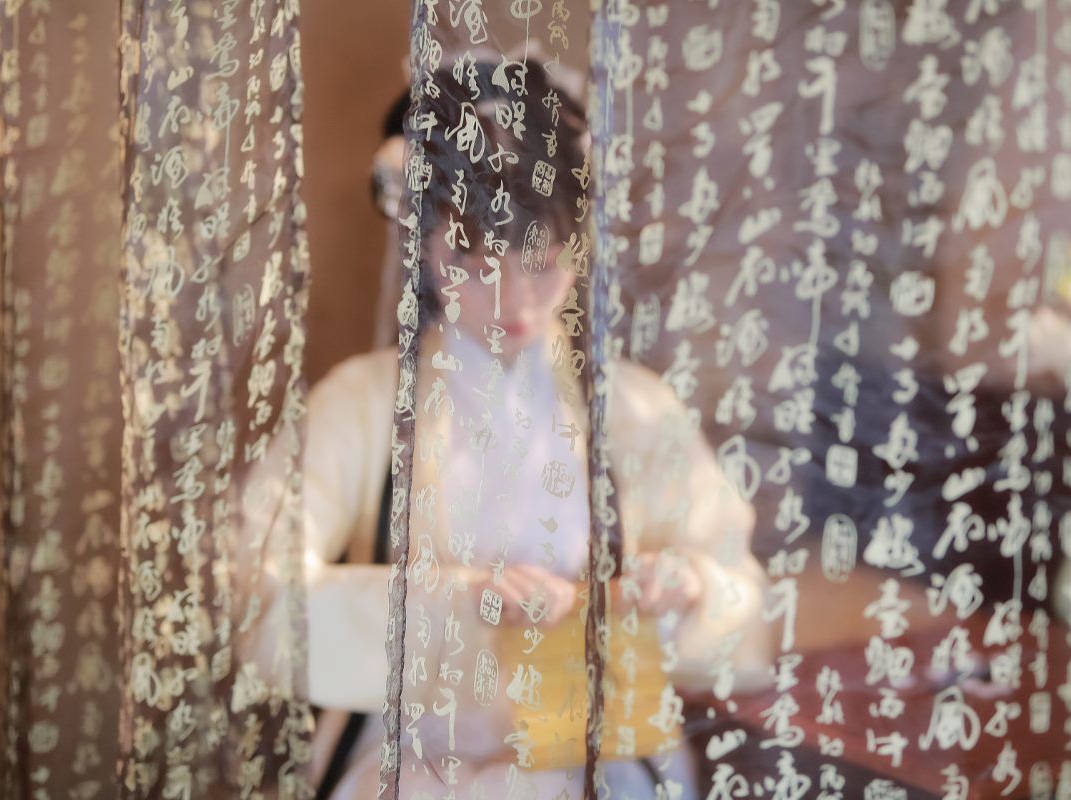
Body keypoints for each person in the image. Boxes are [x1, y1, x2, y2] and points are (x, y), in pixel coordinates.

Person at [290, 60, 775, 800]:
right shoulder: (360, 405)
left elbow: (748, 604)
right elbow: (258, 596)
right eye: (473, 260)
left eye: (542, 262)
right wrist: (453, 602)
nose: (514, 299)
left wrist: (688, 590)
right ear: (421, 243)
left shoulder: (633, 408)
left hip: (599, 759)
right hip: (414, 762)